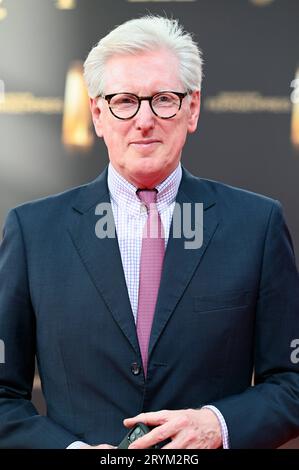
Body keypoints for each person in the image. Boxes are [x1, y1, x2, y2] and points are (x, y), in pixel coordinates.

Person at [0, 15, 299, 450]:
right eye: (124, 101)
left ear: (192, 108)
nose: (144, 120)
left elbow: (292, 383)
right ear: (98, 113)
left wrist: (218, 425)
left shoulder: (256, 225)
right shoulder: (33, 232)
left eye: (163, 99)